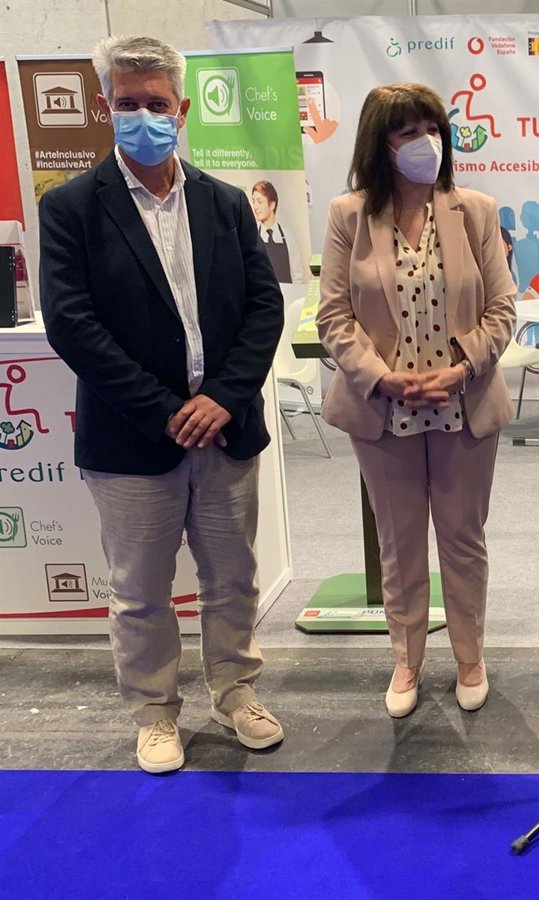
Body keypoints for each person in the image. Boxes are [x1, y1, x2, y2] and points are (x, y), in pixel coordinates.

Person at [39, 36, 285, 774]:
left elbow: (263, 308)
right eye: (127, 102)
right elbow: (72, 324)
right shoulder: (72, 208)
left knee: (231, 578)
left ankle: (236, 691)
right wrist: (165, 409)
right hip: (131, 437)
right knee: (141, 590)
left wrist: (222, 398)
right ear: (104, 106)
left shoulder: (225, 203)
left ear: (182, 110)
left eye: (156, 103)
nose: (142, 115)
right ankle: (153, 712)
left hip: (226, 431)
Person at [317, 83, 516, 718]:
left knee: (462, 538)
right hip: (384, 408)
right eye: (407, 132)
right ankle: (406, 658)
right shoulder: (349, 215)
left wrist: (463, 367)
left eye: (432, 129)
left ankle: (469, 656)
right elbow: (334, 317)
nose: (424, 142)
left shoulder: (475, 210)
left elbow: (502, 308)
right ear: (380, 144)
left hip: (464, 402)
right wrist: (381, 377)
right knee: (400, 544)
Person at [250, 180, 306, 284]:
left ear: (272, 205)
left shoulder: (288, 237)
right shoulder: (252, 239)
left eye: (259, 201)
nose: (255, 207)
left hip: (288, 293)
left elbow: (298, 277)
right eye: (253, 201)